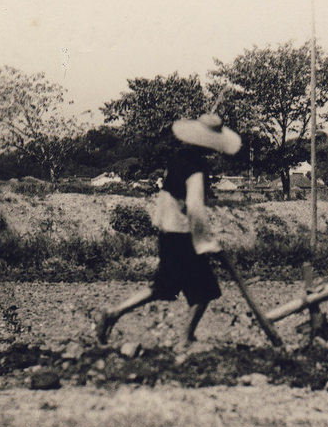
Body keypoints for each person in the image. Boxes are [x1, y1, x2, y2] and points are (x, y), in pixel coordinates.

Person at [94, 112, 241, 349]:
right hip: (184, 236)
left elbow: (167, 199)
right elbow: (194, 206)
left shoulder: (177, 159)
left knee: (163, 288)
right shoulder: (197, 168)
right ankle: (185, 340)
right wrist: (205, 242)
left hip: (168, 232)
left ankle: (112, 313)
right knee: (204, 292)